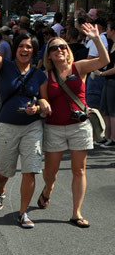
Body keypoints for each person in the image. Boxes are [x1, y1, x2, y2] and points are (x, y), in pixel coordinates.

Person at [0, 5, 49, 230]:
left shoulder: (39, 74)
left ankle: (23, 213)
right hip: (7, 126)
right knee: (5, 170)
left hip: (32, 127)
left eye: (29, 47)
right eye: (21, 45)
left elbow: (44, 100)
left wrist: (39, 108)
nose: (25, 49)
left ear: (34, 51)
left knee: (30, 169)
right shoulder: (5, 67)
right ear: (15, 48)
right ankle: (0, 190)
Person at [38, 23, 109, 228]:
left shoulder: (79, 67)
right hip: (54, 128)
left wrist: (96, 39)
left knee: (79, 170)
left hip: (80, 126)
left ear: (67, 51)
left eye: (62, 47)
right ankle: (48, 188)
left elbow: (105, 60)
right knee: (50, 173)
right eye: (54, 48)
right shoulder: (46, 76)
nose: (59, 50)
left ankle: (76, 212)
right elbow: (44, 100)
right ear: (49, 55)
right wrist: (43, 103)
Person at [98, 18, 115, 148]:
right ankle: (107, 136)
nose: (106, 31)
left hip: (113, 80)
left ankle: (113, 138)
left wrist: (102, 73)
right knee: (104, 109)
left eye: (108, 29)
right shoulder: (111, 43)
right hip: (108, 81)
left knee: (112, 111)